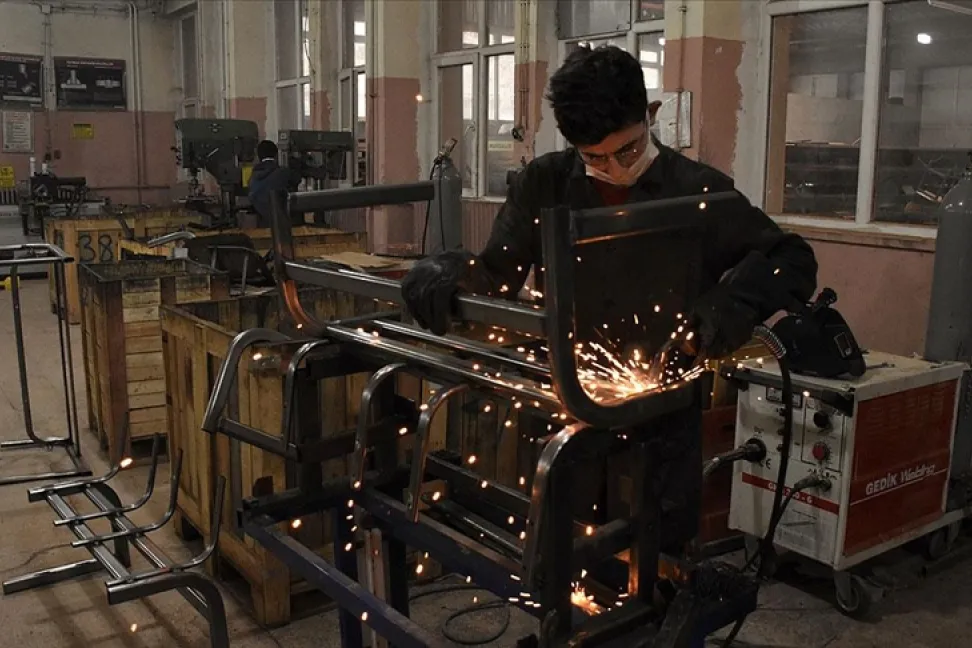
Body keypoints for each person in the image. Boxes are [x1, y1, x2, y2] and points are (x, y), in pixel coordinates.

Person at [401, 46, 818, 554]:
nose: (615, 168)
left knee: (656, 558)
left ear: (651, 115)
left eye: (627, 150)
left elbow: (790, 257)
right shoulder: (544, 183)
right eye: (594, 158)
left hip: (662, 417)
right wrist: (447, 271)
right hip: (569, 406)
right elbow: (497, 274)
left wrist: (721, 312)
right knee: (566, 552)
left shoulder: (699, 192)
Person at [248, 139, 302, 227]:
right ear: (276, 154)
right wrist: (296, 159)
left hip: (263, 225)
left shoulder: (253, 178)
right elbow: (297, 178)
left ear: (258, 156)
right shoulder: (283, 173)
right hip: (284, 225)